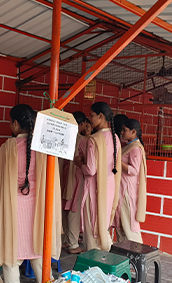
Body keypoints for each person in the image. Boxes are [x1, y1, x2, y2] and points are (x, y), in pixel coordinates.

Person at [0, 104, 61, 283]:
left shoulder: (7, 148)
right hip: (39, 211)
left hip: (14, 211)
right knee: (40, 255)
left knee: (11, 260)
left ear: (15, 123)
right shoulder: (44, 147)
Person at [77, 102, 121, 251]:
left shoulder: (94, 139)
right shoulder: (115, 138)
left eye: (91, 115)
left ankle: (95, 258)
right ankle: (107, 254)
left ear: (101, 116)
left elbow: (90, 170)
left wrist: (79, 163)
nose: (89, 119)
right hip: (109, 186)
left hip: (94, 188)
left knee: (92, 228)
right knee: (102, 225)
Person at [115, 119, 147, 243]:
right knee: (121, 223)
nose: (122, 132)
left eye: (125, 130)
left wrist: (118, 162)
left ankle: (137, 249)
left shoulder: (135, 148)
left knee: (129, 224)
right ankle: (123, 250)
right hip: (122, 189)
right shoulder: (129, 144)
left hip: (127, 191)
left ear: (133, 132)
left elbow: (134, 170)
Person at [62, 111, 89, 254]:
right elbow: (87, 159)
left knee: (63, 207)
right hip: (76, 176)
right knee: (74, 209)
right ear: (82, 123)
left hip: (64, 174)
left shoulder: (64, 136)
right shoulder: (82, 140)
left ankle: (64, 239)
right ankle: (73, 244)